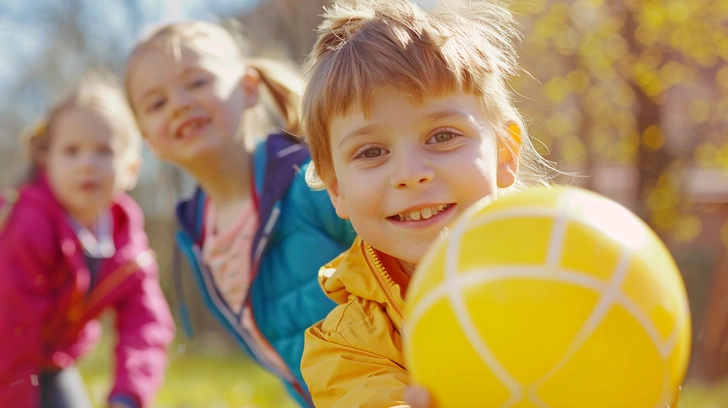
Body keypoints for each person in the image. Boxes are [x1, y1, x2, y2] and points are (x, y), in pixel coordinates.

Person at [298, 0, 558, 406]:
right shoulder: (348, 344)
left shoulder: (565, 267)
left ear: (505, 153)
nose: (410, 173)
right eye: (370, 151)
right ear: (337, 191)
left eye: (442, 136)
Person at [124, 21, 355, 407]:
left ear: (248, 89)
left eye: (197, 82)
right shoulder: (197, 239)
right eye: (157, 103)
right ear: (150, 143)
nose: (180, 103)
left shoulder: (311, 181)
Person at [0, 75, 175, 408]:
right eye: (71, 151)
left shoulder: (127, 244)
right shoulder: (27, 224)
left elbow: (146, 322)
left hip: (50, 363)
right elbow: (9, 329)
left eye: (103, 151)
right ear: (45, 161)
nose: (87, 164)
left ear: (131, 167)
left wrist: (129, 395)